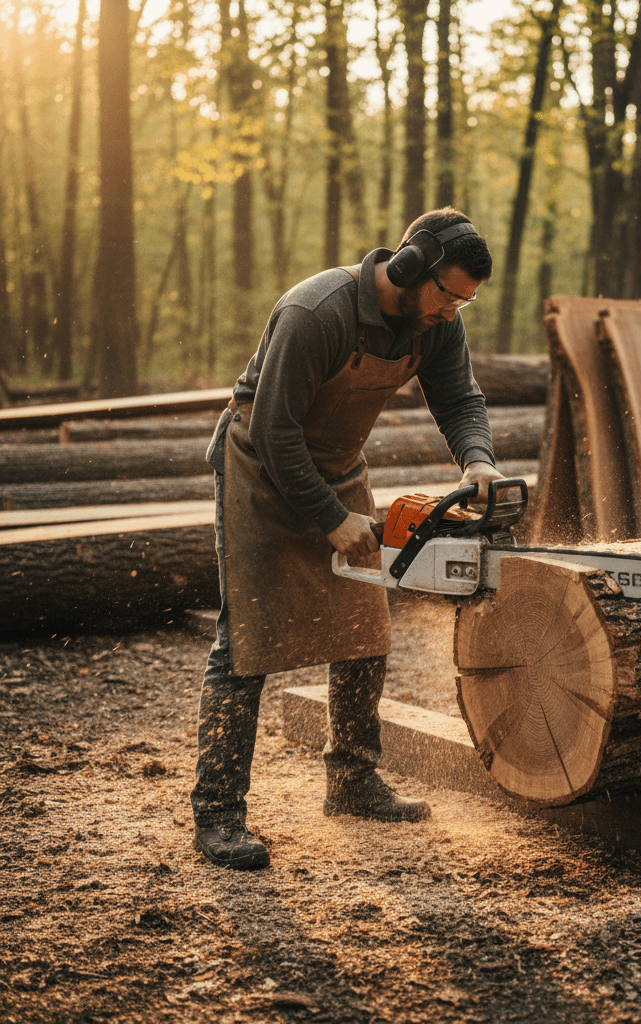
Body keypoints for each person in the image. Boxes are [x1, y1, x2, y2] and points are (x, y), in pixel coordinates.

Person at [190, 208, 504, 870]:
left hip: (336, 465)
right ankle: (218, 811)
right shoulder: (317, 312)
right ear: (410, 266)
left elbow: (460, 399)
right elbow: (275, 432)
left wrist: (478, 459)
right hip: (260, 465)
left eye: (464, 301)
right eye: (447, 294)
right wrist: (331, 521)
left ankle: (353, 780)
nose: (452, 311)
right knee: (244, 641)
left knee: (367, 627)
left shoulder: (436, 324)